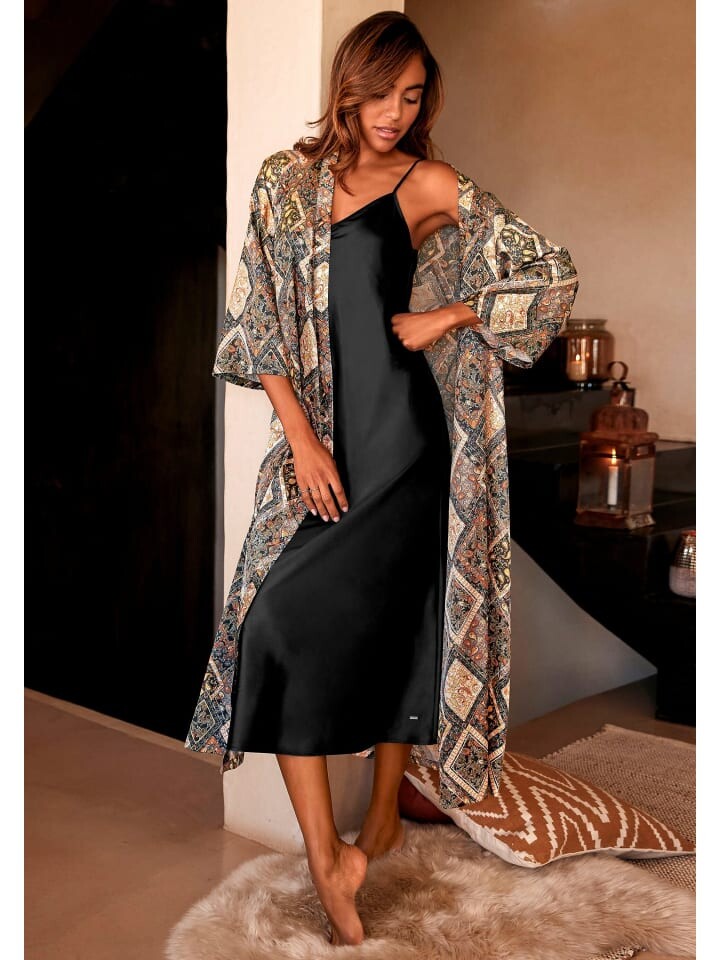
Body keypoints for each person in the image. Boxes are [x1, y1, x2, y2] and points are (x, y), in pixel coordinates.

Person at [186, 11, 579, 947]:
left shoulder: (427, 182)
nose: (395, 112)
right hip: (326, 446)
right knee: (276, 623)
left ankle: (383, 816)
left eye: (412, 96)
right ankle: (331, 856)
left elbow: (551, 273)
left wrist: (447, 315)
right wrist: (301, 440)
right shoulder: (283, 183)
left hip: (408, 447)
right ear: (348, 86)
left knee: (401, 618)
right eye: (381, 93)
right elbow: (259, 323)